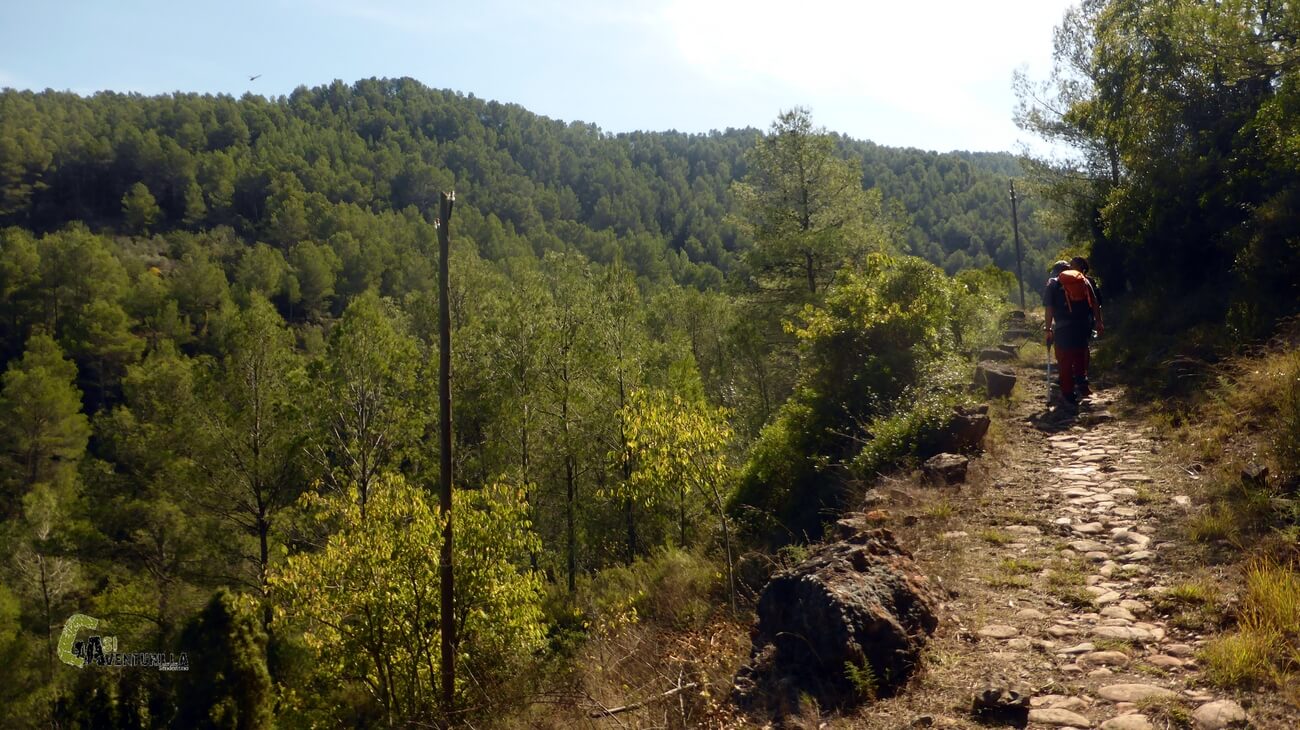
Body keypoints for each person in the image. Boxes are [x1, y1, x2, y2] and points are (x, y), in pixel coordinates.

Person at [1044, 257, 1103, 405]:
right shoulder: (1083, 280)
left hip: (1063, 327)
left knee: (1064, 359)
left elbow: (1049, 308)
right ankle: (1083, 388)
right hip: (1082, 325)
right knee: (1079, 356)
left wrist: (1048, 328)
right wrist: (1098, 321)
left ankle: (1068, 394)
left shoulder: (1053, 283)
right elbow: (1095, 302)